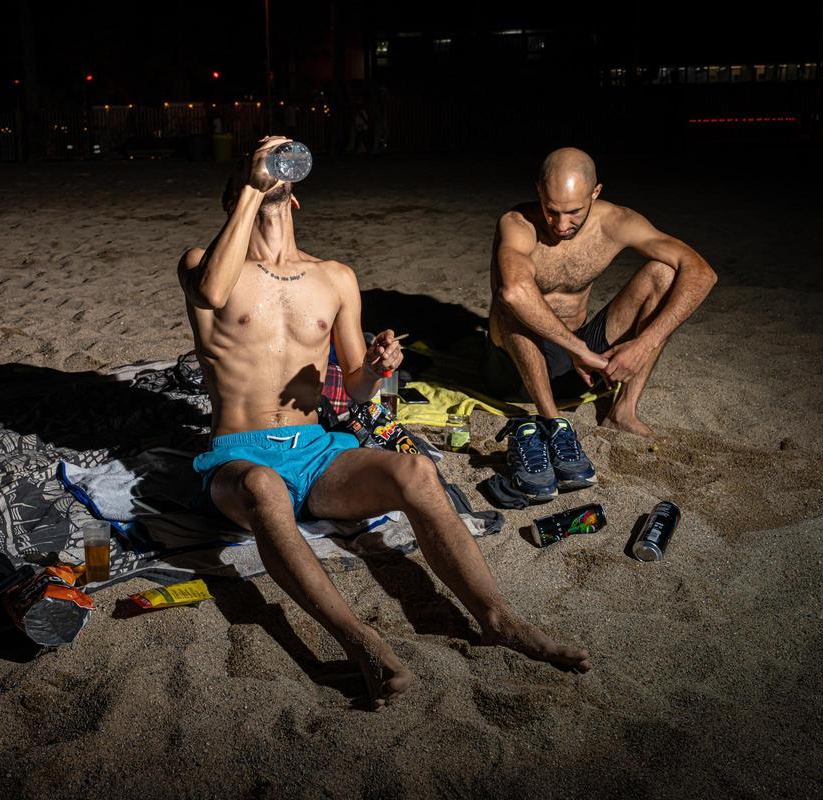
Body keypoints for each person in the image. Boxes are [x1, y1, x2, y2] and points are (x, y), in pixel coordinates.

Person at [178, 136, 591, 708]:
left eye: (273, 182)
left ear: (295, 200)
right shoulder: (203, 265)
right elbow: (214, 290)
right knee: (262, 486)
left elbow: (355, 388)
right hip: (237, 456)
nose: (267, 182)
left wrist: (376, 366)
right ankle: (358, 638)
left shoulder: (335, 277)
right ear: (234, 203)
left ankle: (497, 617)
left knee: (417, 473)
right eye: (247, 188)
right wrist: (249, 188)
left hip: (316, 448)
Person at [483, 147, 717, 501]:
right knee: (512, 299)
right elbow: (514, 292)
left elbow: (702, 272)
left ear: (595, 193)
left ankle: (623, 412)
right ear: (539, 194)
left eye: (574, 212)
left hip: (579, 363)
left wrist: (644, 344)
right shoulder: (517, 224)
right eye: (551, 210)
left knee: (663, 274)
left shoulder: (617, 221)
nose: (561, 225)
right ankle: (553, 425)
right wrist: (579, 350)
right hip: (513, 370)